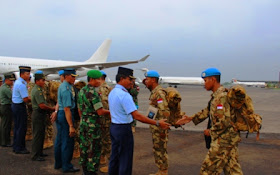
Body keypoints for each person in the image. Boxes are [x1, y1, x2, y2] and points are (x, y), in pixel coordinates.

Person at [176, 67, 243, 175]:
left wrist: (211, 131)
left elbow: (224, 121)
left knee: (207, 170)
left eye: (206, 80)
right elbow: (207, 111)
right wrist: (191, 118)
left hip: (223, 140)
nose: (204, 83)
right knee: (233, 170)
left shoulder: (221, 97)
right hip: (229, 139)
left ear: (213, 79)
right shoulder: (216, 96)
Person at [108, 67, 170, 175]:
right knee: (125, 159)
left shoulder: (113, 92)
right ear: (122, 78)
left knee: (115, 156)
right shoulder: (124, 95)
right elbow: (137, 115)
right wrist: (157, 123)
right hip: (123, 129)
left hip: (114, 127)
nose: (132, 82)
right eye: (130, 79)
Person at [78, 70, 110, 175]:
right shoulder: (93, 93)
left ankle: (85, 170)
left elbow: (79, 109)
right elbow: (100, 111)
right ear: (92, 79)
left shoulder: (82, 90)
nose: (100, 81)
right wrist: (112, 112)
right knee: (94, 149)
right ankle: (92, 171)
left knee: (84, 148)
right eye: (98, 79)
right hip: (93, 126)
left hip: (83, 123)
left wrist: (84, 118)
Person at [142, 70, 170, 175]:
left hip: (160, 127)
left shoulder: (159, 93)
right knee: (158, 148)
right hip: (157, 126)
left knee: (160, 149)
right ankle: (161, 170)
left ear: (153, 80)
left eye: (147, 79)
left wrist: (162, 127)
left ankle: (163, 171)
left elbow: (164, 111)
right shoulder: (155, 92)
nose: (145, 82)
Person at [54, 68, 80, 173]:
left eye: (75, 77)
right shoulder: (66, 89)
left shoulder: (64, 86)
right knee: (67, 141)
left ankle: (58, 163)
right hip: (66, 115)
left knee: (59, 140)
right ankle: (66, 165)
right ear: (66, 76)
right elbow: (67, 108)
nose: (74, 79)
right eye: (72, 77)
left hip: (61, 114)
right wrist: (71, 126)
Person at [30, 71, 55, 161]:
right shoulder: (37, 90)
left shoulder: (39, 89)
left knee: (41, 134)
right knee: (37, 135)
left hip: (41, 114)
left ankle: (39, 152)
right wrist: (52, 109)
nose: (44, 82)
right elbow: (42, 105)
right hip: (38, 113)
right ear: (37, 81)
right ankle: (35, 155)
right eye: (42, 80)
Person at [12, 66, 31, 154]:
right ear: (22, 74)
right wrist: (32, 99)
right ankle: (20, 147)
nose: (29, 75)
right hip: (20, 106)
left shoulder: (17, 82)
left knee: (17, 127)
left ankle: (16, 146)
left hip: (15, 106)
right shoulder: (21, 84)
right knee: (21, 128)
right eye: (27, 74)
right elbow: (25, 99)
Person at [0, 73, 15, 147]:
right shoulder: (6, 88)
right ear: (6, 80)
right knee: (6, 125)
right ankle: (5, 142)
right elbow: (12, 97)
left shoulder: (3, 87)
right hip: (6, 107)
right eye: (11, 81)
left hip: (4, 106)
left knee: (4, 124)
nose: (12, 82)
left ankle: (3, 141)